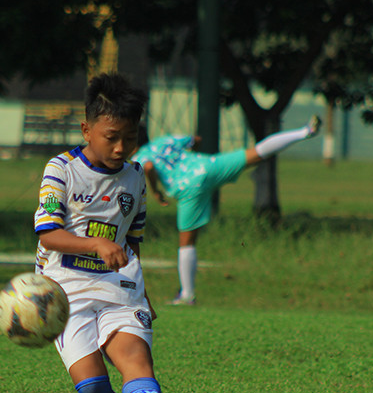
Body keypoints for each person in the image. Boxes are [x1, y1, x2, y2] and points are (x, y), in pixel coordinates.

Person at [34, 73, 177, 393]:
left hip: (119, 286)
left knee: (133, 356)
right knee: (94, 389)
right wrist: (96, 244)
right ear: (86, 129)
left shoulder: (135, 177)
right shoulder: (61, 169)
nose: (120, 148)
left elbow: (132, 240)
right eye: (111, 137)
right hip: (64, 290)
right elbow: (47, 234)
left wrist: (143, 288)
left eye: (129, 138)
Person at [134, 116, 321, 304]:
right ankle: (304, 132)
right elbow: (195, 140)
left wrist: (156, 192)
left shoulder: (138, 158)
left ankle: (187, 295)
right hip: (208, 166)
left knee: (187, 241)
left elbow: (149, 167)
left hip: (187, 187)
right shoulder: (163, 141)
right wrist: (191, 159)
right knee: (255, 153)